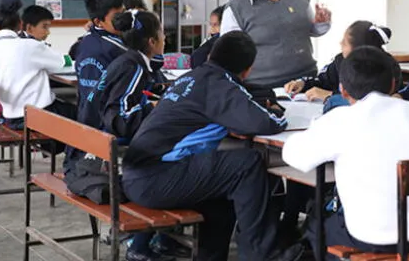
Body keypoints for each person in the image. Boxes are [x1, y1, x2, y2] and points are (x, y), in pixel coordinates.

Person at [121, 32, 303, 261]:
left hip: (139, 175)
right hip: (156, 179)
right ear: (247, 69)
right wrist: (277, 113)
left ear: (210, 55)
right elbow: (266, 122)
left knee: (223, 191)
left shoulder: (192, 77)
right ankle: (263, 253)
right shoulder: (220, 84)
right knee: (247, 164)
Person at [282, 46, 409, 260]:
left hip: (376, 238)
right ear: (392, 84)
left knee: (318, 226)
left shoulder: (340, 120)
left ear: (342, 90)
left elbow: (294, 156)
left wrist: (317, 127)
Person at [68, 10, 179, 261]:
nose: (165, 38)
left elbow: (120, 102)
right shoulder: (135, 67)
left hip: (95, 144)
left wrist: (148, 103)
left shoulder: (127, 61)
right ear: (152, 41)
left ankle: (162, 238)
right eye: (162, 33)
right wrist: (155, 110)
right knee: (176, 164)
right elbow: (121, 120)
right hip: (111, 154)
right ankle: (140, 244)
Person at [221, 0, 332, 88]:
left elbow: (310, 30)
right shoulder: (237, 7)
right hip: (262, 86)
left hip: (304, 81)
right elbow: (230, 54)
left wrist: (320, 22)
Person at [0, 0, 75, 131]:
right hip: (41, 116)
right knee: (82, 114)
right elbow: (65, 63)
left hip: (11, 119)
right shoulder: (32, 46)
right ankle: (74, 152)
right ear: (20, 24)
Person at [73, 0, 166, 108]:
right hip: (107, 117)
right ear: (98, 22)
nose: (122, 20)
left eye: (124, 13)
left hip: (88, 112)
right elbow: (155, 61)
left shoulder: (86, 40)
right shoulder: (116, 48)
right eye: (117, 16)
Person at [284, 21, 394, 102]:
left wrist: (330, 95)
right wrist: (303, 83)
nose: (340, 43)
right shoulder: (340, 61)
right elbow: (322, 81)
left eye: (345, 42)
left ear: (359, 49)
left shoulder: (385, 67)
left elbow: (371, 101)